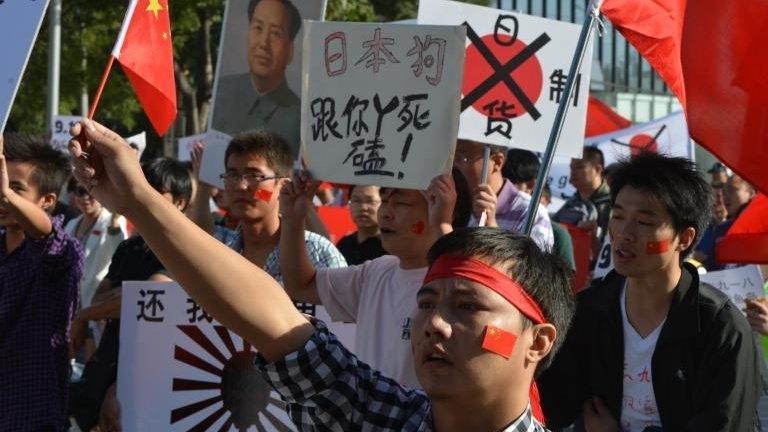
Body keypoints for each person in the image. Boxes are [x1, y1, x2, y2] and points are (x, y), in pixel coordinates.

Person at [68, 118, 576, 431]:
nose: (434, 325)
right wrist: (137, 197)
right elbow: (273, 315)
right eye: (426, 303)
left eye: (467, 306)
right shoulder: (379, 418)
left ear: (538, 341)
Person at [540, 153, 762, 431]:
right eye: (618, 216)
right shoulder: (588, 311)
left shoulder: (721, 328)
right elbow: (553, 406)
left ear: (685, 238)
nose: (624, 233)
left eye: (644, 223)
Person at [278, 169, 470, 388]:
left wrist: (442, 228)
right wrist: (293, 219)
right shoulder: (376, 272)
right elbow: (301, 285)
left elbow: (459, 295)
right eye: (385, 199)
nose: (385, 213)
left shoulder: (463, 281)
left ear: (444, 209)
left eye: (400, 203)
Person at [69, 157, 192, 432]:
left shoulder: (184, 250)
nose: (143, 198)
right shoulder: (130, 247)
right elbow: (106, 295)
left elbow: (144, 298)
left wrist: (85, 315)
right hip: (109, 356)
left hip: (151, 370)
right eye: (141, 188)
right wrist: (104, 308)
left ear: (180, 202)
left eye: (155, 192)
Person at [0, 134, 83, 431]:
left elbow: (46, 234)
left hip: (31, 412)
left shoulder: (63, 251)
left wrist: (6, 196)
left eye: (15, 187)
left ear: (47, 200)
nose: (3, 195)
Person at [211, 0, 302, 156]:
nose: (263, 43)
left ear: (290, 50)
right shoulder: (222, 91)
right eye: (258, 28)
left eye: (275, 33)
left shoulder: (300, 117)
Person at [454, 139, 554, 251]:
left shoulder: (531, 212)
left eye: (460, 157)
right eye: (451, 157)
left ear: (497, 162)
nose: (453, 166)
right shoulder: (452, 203)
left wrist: (490, 226)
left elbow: (534, 266)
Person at [504, 148, 575, 271]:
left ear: (531, 185)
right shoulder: (481, 210)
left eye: (510, 185)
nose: (504, 190)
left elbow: (562, 276)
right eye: (502, 182)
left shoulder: (558, 233)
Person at [64, 183, 128, 310]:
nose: (86, 197)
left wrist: (114, 225)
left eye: (92, 193)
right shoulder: (72, 223)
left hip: (94, 296)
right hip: (68, 296)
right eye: (81, 191)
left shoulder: (113, 220)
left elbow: (120, 253)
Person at [553, 147, 612, 262]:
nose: (573, 172)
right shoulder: (571, 203)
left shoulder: (613, 205)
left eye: (580, 166)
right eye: (571, 167)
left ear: (598, 169)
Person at [336, 184, 388, 265]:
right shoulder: (345, 244)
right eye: (356, 201)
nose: (363, 207)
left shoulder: (391, 247)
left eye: (371, 201)